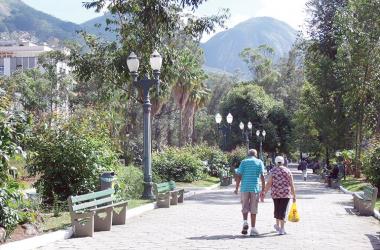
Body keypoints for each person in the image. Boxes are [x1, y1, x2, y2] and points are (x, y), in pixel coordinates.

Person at [234, 149, 265, 236]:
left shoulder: (243, 162)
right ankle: (253, 229)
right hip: (254, 188)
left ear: (248, 154)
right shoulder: (259, 162)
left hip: (244, 188)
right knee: (253, 208)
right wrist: (263, 190)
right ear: (256, 155)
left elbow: (239, 176)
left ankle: (245, 222)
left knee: (244, 206)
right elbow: (262, 176)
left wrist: (236, 188)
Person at [263, 156, 296, 235]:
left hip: (275, 193)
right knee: (283, 210)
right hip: (286, 194)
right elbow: (291, 184)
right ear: (283, 162)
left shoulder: (273, 171)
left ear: (275, 162)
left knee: (277, 209)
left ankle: (278, 226)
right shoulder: (287, 171)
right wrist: (294, 195)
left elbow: (269, 183)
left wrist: (264, 192)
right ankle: (282, 228)